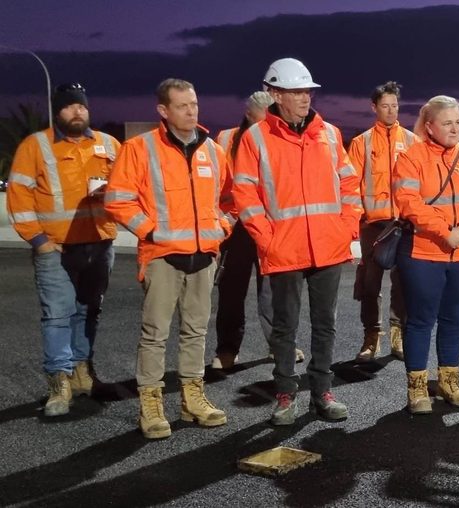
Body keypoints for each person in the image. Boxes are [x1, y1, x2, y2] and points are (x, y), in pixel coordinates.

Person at [232, 58, 360, 425]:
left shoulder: (329, 134)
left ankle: (322, 392)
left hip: (328, 246)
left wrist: (346, 228)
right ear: (276, 94)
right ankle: (286, 395)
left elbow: (349, 184)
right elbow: (245, 193)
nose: (306, 98)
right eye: (297, 91)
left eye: (308, 91)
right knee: (284, 327)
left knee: (325, 325)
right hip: (284, 249)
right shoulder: (256, 138)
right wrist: (267, 239)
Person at [105, 78, 230, 439]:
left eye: (194, 104)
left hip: (203, 256)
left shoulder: (213, 151)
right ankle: (151, 404)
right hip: (161, 256)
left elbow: (231, 199)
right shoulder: (139, 149)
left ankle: (192, 400)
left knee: (196, 331)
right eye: (182, 106)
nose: (191, 112)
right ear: (163, 110)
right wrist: (151, 232)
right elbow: (117, 199)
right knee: (155, 334)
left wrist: (222, 227)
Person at [6, 83, 119, 416]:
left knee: (89, 310)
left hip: (99, 243)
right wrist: (39, 241)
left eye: (81, 106)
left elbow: (129, 186)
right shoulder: (35, 146)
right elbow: (19, 197)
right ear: (57, 112)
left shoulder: (109, 144)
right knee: (57, 315)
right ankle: (59, 382)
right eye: (69, 106)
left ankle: (82, 373)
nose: (77, 111)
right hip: (56, 248)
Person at [393, 95, 459, 414]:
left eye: (458, 122)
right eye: (447, 123)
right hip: (423, 255)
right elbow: (409, 202)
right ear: (429, 127)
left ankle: (449, 383)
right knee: (420, 321)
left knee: (454, 319)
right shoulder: (411, 157)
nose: (455, 128)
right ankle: (417, 389)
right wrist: (444, 232)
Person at [211, 91, 306, 369]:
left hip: (270, 225)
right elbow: (217, 183)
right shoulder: (226, 139)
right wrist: (222, 220)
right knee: (231, 291)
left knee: (274, 291)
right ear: (248, 115)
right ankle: (227, 350)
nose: (265, 124)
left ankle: (279, 345)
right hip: (237, 226)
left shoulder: (279, 136)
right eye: (259, 119)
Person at [349, 81, 414, 362]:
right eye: (385, 106)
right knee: (370, 284)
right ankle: (371, 337)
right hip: (373, 225)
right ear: (374, 107)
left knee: (403, 282)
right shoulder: (361, 143)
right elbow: (350, 185)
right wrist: (357, 220)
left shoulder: (411, 141)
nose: (390, 111)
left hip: (403, 225)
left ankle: (398, 335)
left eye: (394, 106)